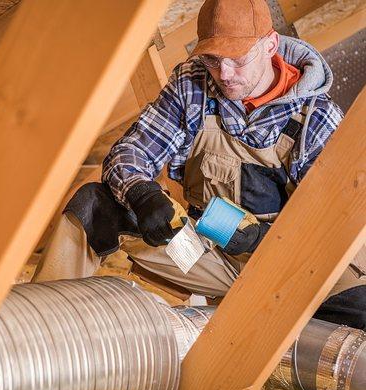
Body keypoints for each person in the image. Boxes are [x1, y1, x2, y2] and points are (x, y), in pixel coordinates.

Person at [33, 0, 366, 329]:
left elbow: (332, 228)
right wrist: (143, 195)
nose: (224, 74)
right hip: (207, 255)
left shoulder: (316, 119)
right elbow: (131, 152)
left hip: (294, 266)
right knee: (95, 206)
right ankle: (37, 328)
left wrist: (260, 240)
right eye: (212, 59)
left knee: (357, 313)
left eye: (237, 60)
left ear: (270, 45)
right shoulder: (192, 86)